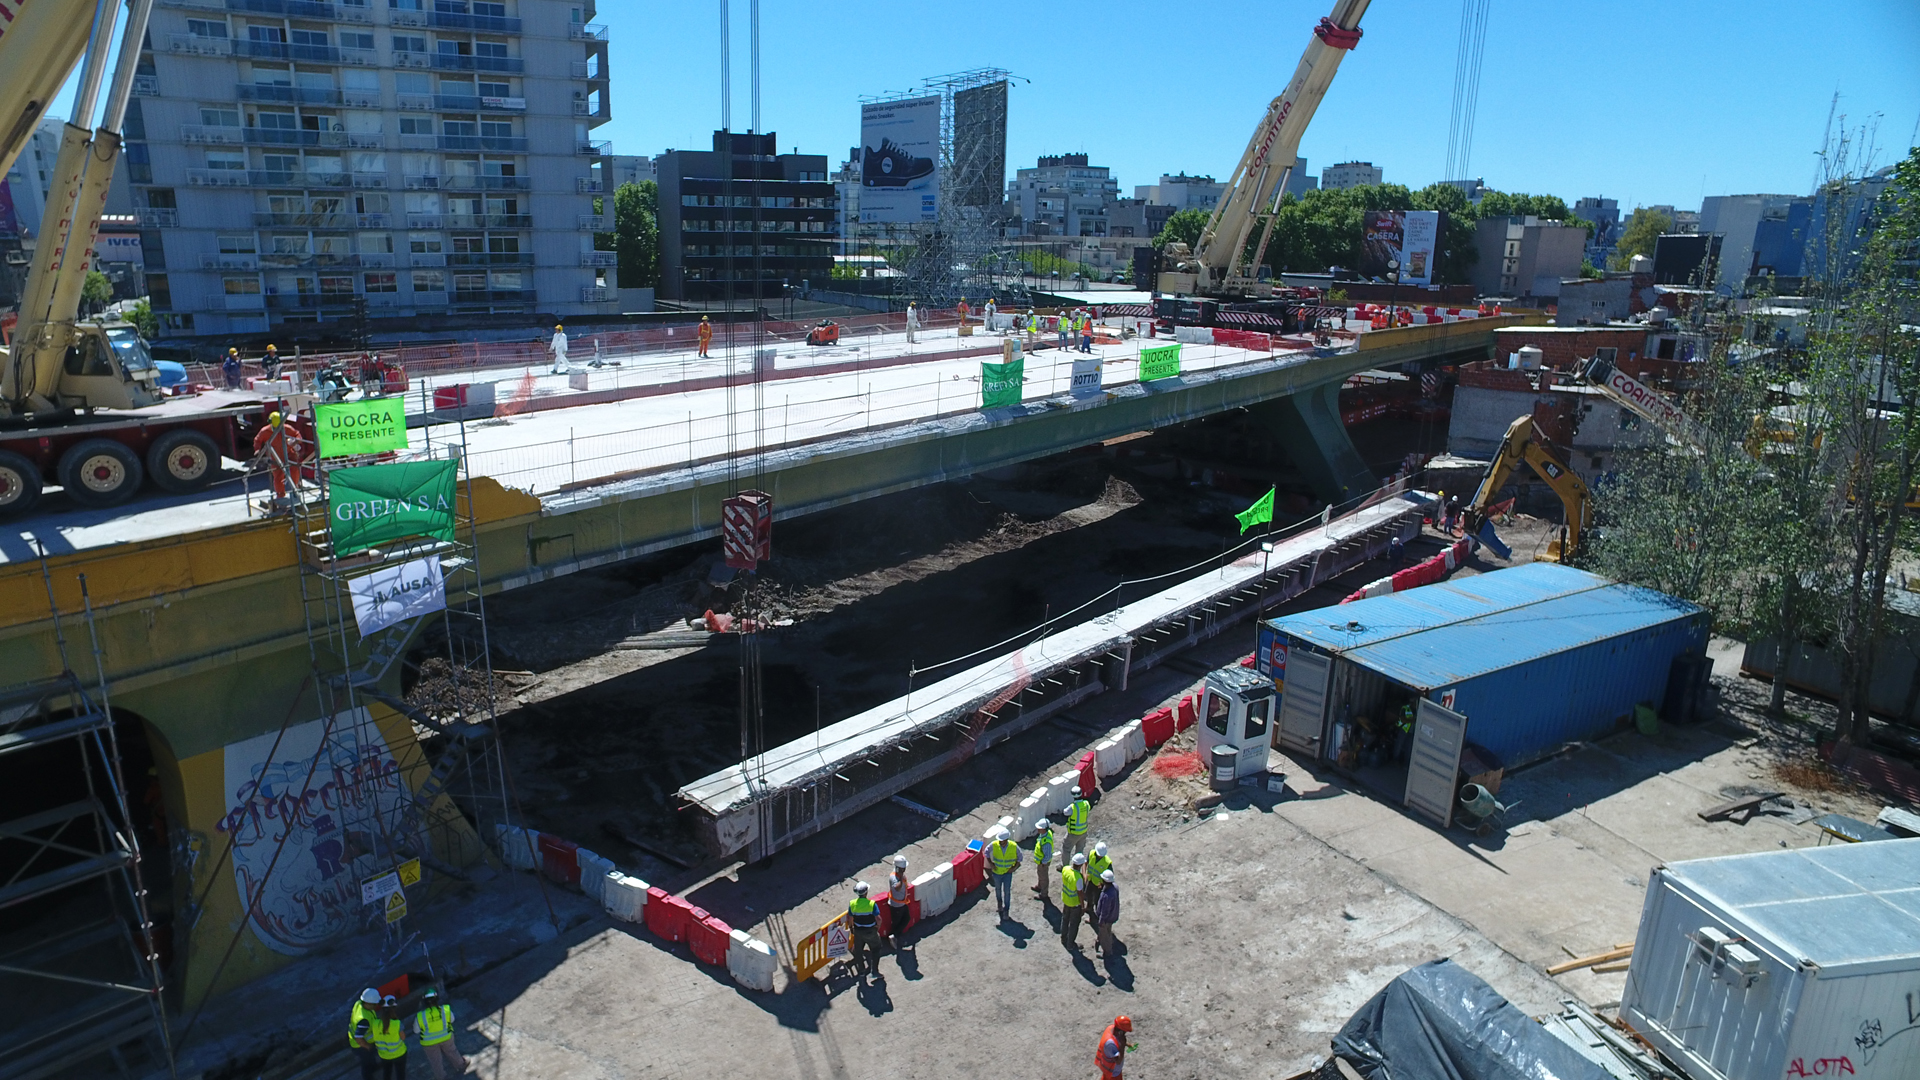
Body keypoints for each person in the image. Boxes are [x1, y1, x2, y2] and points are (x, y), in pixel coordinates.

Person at [251, 411, 306, 505]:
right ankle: (280, 494)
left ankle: (295, 489)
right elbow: (257, 440)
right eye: (276, 428)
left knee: (294, 470)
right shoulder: (265, 431)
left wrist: (296, 441)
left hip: (289, 454)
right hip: (275, 456)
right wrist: (257, 449)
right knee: (278, 476)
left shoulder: (287, 428)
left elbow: (298, 435)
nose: (278, 429)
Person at [412, 987, 466, 1080]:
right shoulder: (446, 1009)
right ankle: (460, 1065)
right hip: (446, 1037)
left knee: (435, 1060)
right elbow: (452, 1020)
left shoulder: (420, 1016)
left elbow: (416, 1030)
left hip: (429, 1043)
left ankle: (441, 1077)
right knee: (452, 1051)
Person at [367, 995, 409, 1079]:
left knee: (387, 1073)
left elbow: (371, 1037)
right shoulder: (397, 1023)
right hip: (399, 1054)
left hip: (384, 1055)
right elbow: (403, 1037)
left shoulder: (375, 1023)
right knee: (400, 1074)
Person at [985, 827, 1021, 920]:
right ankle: (1000, 905)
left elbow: (1020, 858)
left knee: (1007, 892)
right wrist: (991, 863)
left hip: (1007, 874)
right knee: (998, 890)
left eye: (1003, 841)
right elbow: (986, 852)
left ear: (1007, 840)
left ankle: (1006, 910)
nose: (1001, 843)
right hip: (997, 873)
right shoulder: (994, 844)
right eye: (1000, 841)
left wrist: (1014, 868)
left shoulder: (1013, 846)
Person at [847, 881, 881, 979]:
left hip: (858, 931)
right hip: (870, 931)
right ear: (866, 893)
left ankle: (861, 971)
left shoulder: (852, 904)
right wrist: (877, 928)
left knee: (858, 950)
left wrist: (851, 928)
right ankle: (874, 972)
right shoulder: (871, 904)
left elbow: (850, 918)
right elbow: (879, 919)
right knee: (875, 949)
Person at [349, 987, 382, 1080]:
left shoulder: (359, 1003)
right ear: (368, 1003)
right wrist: (368, 1047)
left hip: (363, 1043)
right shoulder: (364, 1020)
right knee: (366, 1064)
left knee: (371, 1059)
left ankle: (374, 1067)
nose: (376, 1005)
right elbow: (359, 1038)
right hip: (361, 1046)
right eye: (374, 1004)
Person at [1059, 852, 1087, 948]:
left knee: (1065, 919)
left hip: (1066, 900)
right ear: (1081, 865)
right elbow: (1080, 893)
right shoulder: (1078, 878)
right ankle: (1070, 943)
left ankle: (1063, 938)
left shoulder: (1066, 869)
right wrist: (1083, 906)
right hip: (1074, 904)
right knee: (1074, 924)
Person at [1092, 869, 1120, 957]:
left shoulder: (1106, 896)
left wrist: (1101, 921)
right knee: (1107, 930)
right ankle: (1104, 941)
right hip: (1113, 915)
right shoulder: (1115, 887)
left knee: (1105, 935)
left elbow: (1104, 911)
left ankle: (1107, 952)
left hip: (1106, 919)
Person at [886, 855, 911, 946]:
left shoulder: (899, 875)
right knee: (896, 923)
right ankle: (893, 937)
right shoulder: (894, 877)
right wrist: (900, 878)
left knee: (906, 918)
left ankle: (895, 935)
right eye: (902, 868)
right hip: (896, 905)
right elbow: (897, 888)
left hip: (902, 903)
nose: (904, 870)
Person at [1029, 819, 1054, 902]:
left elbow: (1047, 855)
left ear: (1044, 829)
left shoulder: (1046, 841)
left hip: (1043, 862)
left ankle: (1044, 894)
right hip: (1041, 862)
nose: (1038, 829)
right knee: (1040, 875)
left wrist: (1043, 863)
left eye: (1039, 828)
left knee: (1044, 877)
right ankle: (1039, 886)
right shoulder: (1044, 835)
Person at [1064, 791, 1091, 861]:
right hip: (1084, 832)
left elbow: (1065, 812)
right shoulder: (1086, 804)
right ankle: (1077, 867)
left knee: (1066, 849)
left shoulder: (1072, 807)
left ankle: (1065, 867)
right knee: (1079, 850)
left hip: (1073, 833)